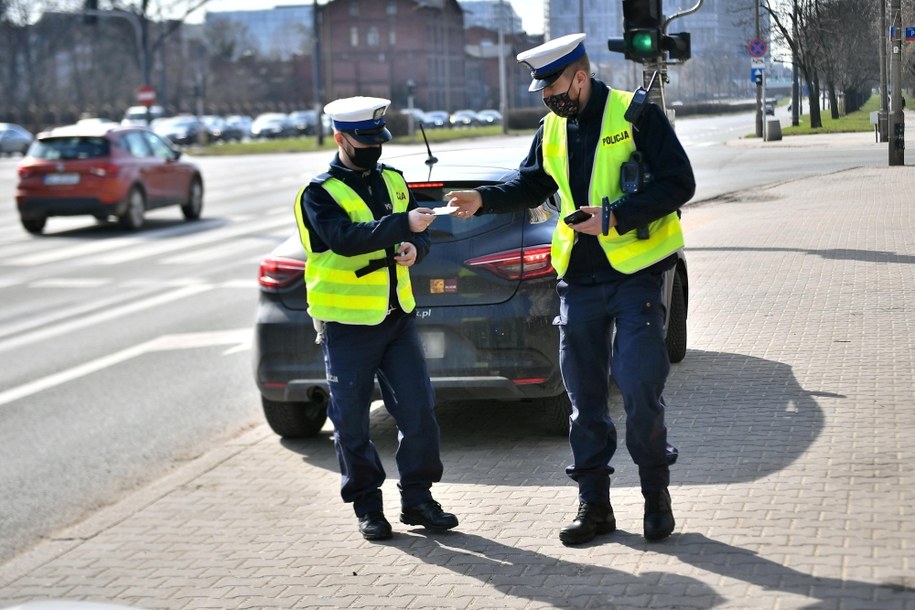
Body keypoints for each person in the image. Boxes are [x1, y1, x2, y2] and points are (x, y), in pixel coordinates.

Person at [446, 34, 695, 544]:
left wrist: (616, 217)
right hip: (578, 282)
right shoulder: (551, 128)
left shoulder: (635, 114)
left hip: (635, 277)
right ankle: (595, 507)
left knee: (641, 389)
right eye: (543, 90)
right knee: (583, 401)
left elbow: (680, 183)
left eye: (554, 86)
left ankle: (655, 496)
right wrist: (481, 200)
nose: (548, 97)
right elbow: (530, 185)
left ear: (579, 77)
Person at [294, 96, 459, 541]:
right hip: (347, 325)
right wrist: (402, 225)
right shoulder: (319, 193)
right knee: (351, 421)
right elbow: (345, 240)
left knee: (419, 411)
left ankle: (418, 500)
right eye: (364, 141)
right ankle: (368, 506)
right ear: (340, 138)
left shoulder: (394, 180)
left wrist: (414, 248)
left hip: (397, 317)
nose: (374, 148)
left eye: (378, 140)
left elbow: (419, 232)